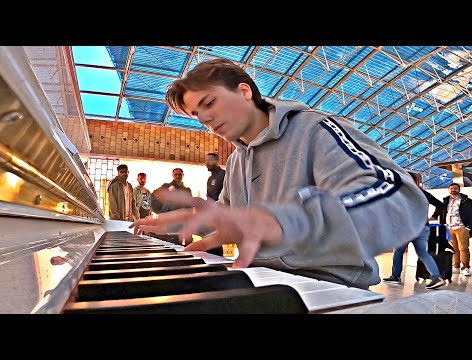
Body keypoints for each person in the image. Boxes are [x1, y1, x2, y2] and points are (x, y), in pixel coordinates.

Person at [129, 58, 429, 290]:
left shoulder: (315, 131)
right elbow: (234, 221)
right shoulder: (235, 162)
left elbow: (397, 197)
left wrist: (286, 221)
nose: (205, 119)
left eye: (208, 103)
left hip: (327, 285)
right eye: (197, 115)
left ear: (244, 91)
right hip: (260, 279)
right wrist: (181, 223)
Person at [383, 173, 446, 289]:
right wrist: (432, 217)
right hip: (422, 227)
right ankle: (436, 277)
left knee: (398, 252)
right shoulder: (422, 193)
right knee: (423, 253)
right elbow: (440, 205)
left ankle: (395, 277)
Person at [430, 182, 472, 276]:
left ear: (459, 189)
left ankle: (465, 267)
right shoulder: (446, 201)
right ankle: (456, 266)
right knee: (453, 248)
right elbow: (439, 211)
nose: (453, 190)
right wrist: (431, 217)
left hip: (461, 227)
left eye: (455, 188)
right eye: (451, 188)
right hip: (450, 227)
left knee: (463, 248)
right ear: (449, 190)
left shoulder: (466, 200)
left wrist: (468, 227)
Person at [203, 153, 226, 256]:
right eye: (206, 160)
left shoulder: (224, 175)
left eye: (210, 160)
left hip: (221, 217)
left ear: (217, 161)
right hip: (211, 217)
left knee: (215, 245)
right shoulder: (210, 179)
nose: (207, 163)